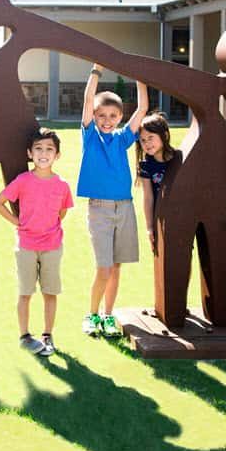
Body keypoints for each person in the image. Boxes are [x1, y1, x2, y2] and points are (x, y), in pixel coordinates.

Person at [78, 65, 148, 337]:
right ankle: (92, 314)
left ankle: (108, 315)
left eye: (113, 116)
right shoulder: (90, 137)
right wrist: (96, 71)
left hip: (125, 208)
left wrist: (141, 77)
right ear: (94, 116)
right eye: (102, 115)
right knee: (104, 268)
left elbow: (142, 109)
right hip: (100, 210)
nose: (107, 120)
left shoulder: (122, 139)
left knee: (116, 267)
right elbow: (88, 100)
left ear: (120, 117)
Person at [0, 127, 74, 356]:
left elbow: (62, 212)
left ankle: (47, 335)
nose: (43, 153)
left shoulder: (62, 185)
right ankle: (25, 336)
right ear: (30, 153)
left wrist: (49, 227)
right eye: (38, 149)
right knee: (25, 293)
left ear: (57, 155)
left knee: (50, 292)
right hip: (26, 246)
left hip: (52, 246)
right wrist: (18, 222)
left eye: (49, 149)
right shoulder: (23, 181)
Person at [136, 112, 175, 316]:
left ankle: (178, 302)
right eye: (143, 140)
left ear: (164, 135)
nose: (147, 143)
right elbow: (148, 197)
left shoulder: (178, 159)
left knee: (181, 260)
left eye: (151, 137)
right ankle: (163, 304)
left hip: (180, 217)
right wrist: (150, 227)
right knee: (162, 261)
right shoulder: (146, 165)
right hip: (161, 219)